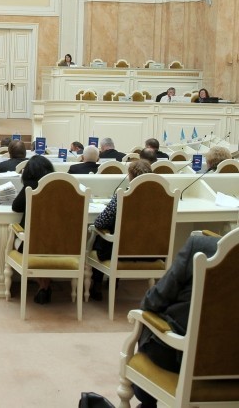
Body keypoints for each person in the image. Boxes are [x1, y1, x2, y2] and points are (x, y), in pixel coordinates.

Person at [132, 234, 219, 408]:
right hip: (229, 363)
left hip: (181, 356)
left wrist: (144, 308)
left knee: (147, 325)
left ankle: (146, 403)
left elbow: (156, 299)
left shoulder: (200, 246)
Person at [89, 160, 152, 300]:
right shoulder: (162, 198)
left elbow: (100, 222)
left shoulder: (124, 196)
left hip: (120, 252)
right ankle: (114, 281)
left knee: (102, 235)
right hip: (149, 252)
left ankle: (97, 284)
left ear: (130, 176)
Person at [11, 155, 55, 304]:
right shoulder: (58, 186)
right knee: (46, 247)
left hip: (31, 244)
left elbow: (16, 207)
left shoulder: (30, 186)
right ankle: (45, 286)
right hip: (58, 245)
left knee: (29, 242)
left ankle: (43, 287)